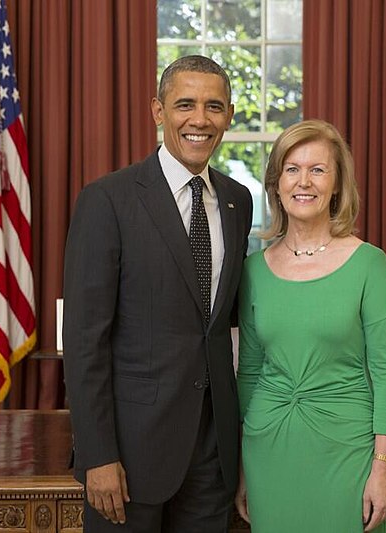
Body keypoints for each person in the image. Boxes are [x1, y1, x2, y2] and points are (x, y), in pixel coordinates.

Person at [63, 55, 253, 533]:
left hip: (213, 457)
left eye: (214, 106)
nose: (200, 119)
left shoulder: (237, 201)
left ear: (228, 116)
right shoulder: (108, 200)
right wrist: (98, 456)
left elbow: (222, 324)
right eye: (184, 104)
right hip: (130, 456)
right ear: (158, 110)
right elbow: (85, 341)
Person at [234, 119, 386, 532]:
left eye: (317, 169)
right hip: (267, 450)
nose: (303, 181)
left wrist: (382, 467)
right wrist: (242, 467)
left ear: (337, 184)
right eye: (292, 169)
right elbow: (250, 372)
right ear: (276, 183)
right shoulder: (253, 270)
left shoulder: (369, 264)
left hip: (347, 450)